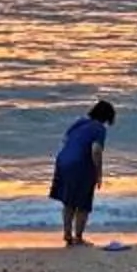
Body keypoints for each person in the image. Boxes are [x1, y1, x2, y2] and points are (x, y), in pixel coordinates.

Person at [49, 99, 114, 245]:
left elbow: (66, 140)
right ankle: (78, 237)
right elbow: (96, 151)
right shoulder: (99, 129)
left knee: (69, 201)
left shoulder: (79, 122)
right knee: (83, 203)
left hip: (63, 161)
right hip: (80, 164)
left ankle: (67, 235)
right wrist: (98, 173)